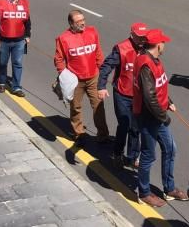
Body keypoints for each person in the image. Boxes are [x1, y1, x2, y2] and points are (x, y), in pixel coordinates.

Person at [132, 28, 187, 206]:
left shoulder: (155, 60)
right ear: (157, 44)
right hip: (150, 117)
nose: (165, 45)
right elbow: (149, 98)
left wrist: (168, 101)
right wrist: (163, 117)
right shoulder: (146, 65)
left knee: (171, 149)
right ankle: (144, 192)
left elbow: (159, 86)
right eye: (163, 42)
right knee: (148, 155)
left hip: (158, 114)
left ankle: (169, 188)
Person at [97, 22, 148, 170]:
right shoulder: (121, 49)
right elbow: (106, 66)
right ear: (132, 35)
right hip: (122, 93)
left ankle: (133, 157)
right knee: (124, 124)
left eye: (144, 37)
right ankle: (117, 153)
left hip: (139, 96)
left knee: (136, 127)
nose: (142, 41)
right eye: (139, 38)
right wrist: (101, 86)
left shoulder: (147, 49)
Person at [54, 10, 109, 144]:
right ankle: (78, 133)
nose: (83, 23)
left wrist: (103, 73)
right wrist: (64, 76)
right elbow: (59, 60)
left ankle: (103, 134)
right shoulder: (63, 38)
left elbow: (98, 53)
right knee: (76, 107)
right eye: (78, 22)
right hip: (75, 81)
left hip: (93, 77)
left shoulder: (92, 32)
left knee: (98, 106)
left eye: (83, 20)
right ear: (71, 24)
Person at [0, 0, 31, 96]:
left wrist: (27, 35)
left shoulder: (24, 3)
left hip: (19, 40)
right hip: (4, 40)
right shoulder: (0, 3)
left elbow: (28, 21)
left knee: (17, 63)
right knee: (3, 62)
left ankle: (16, 87)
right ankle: (2, 82)